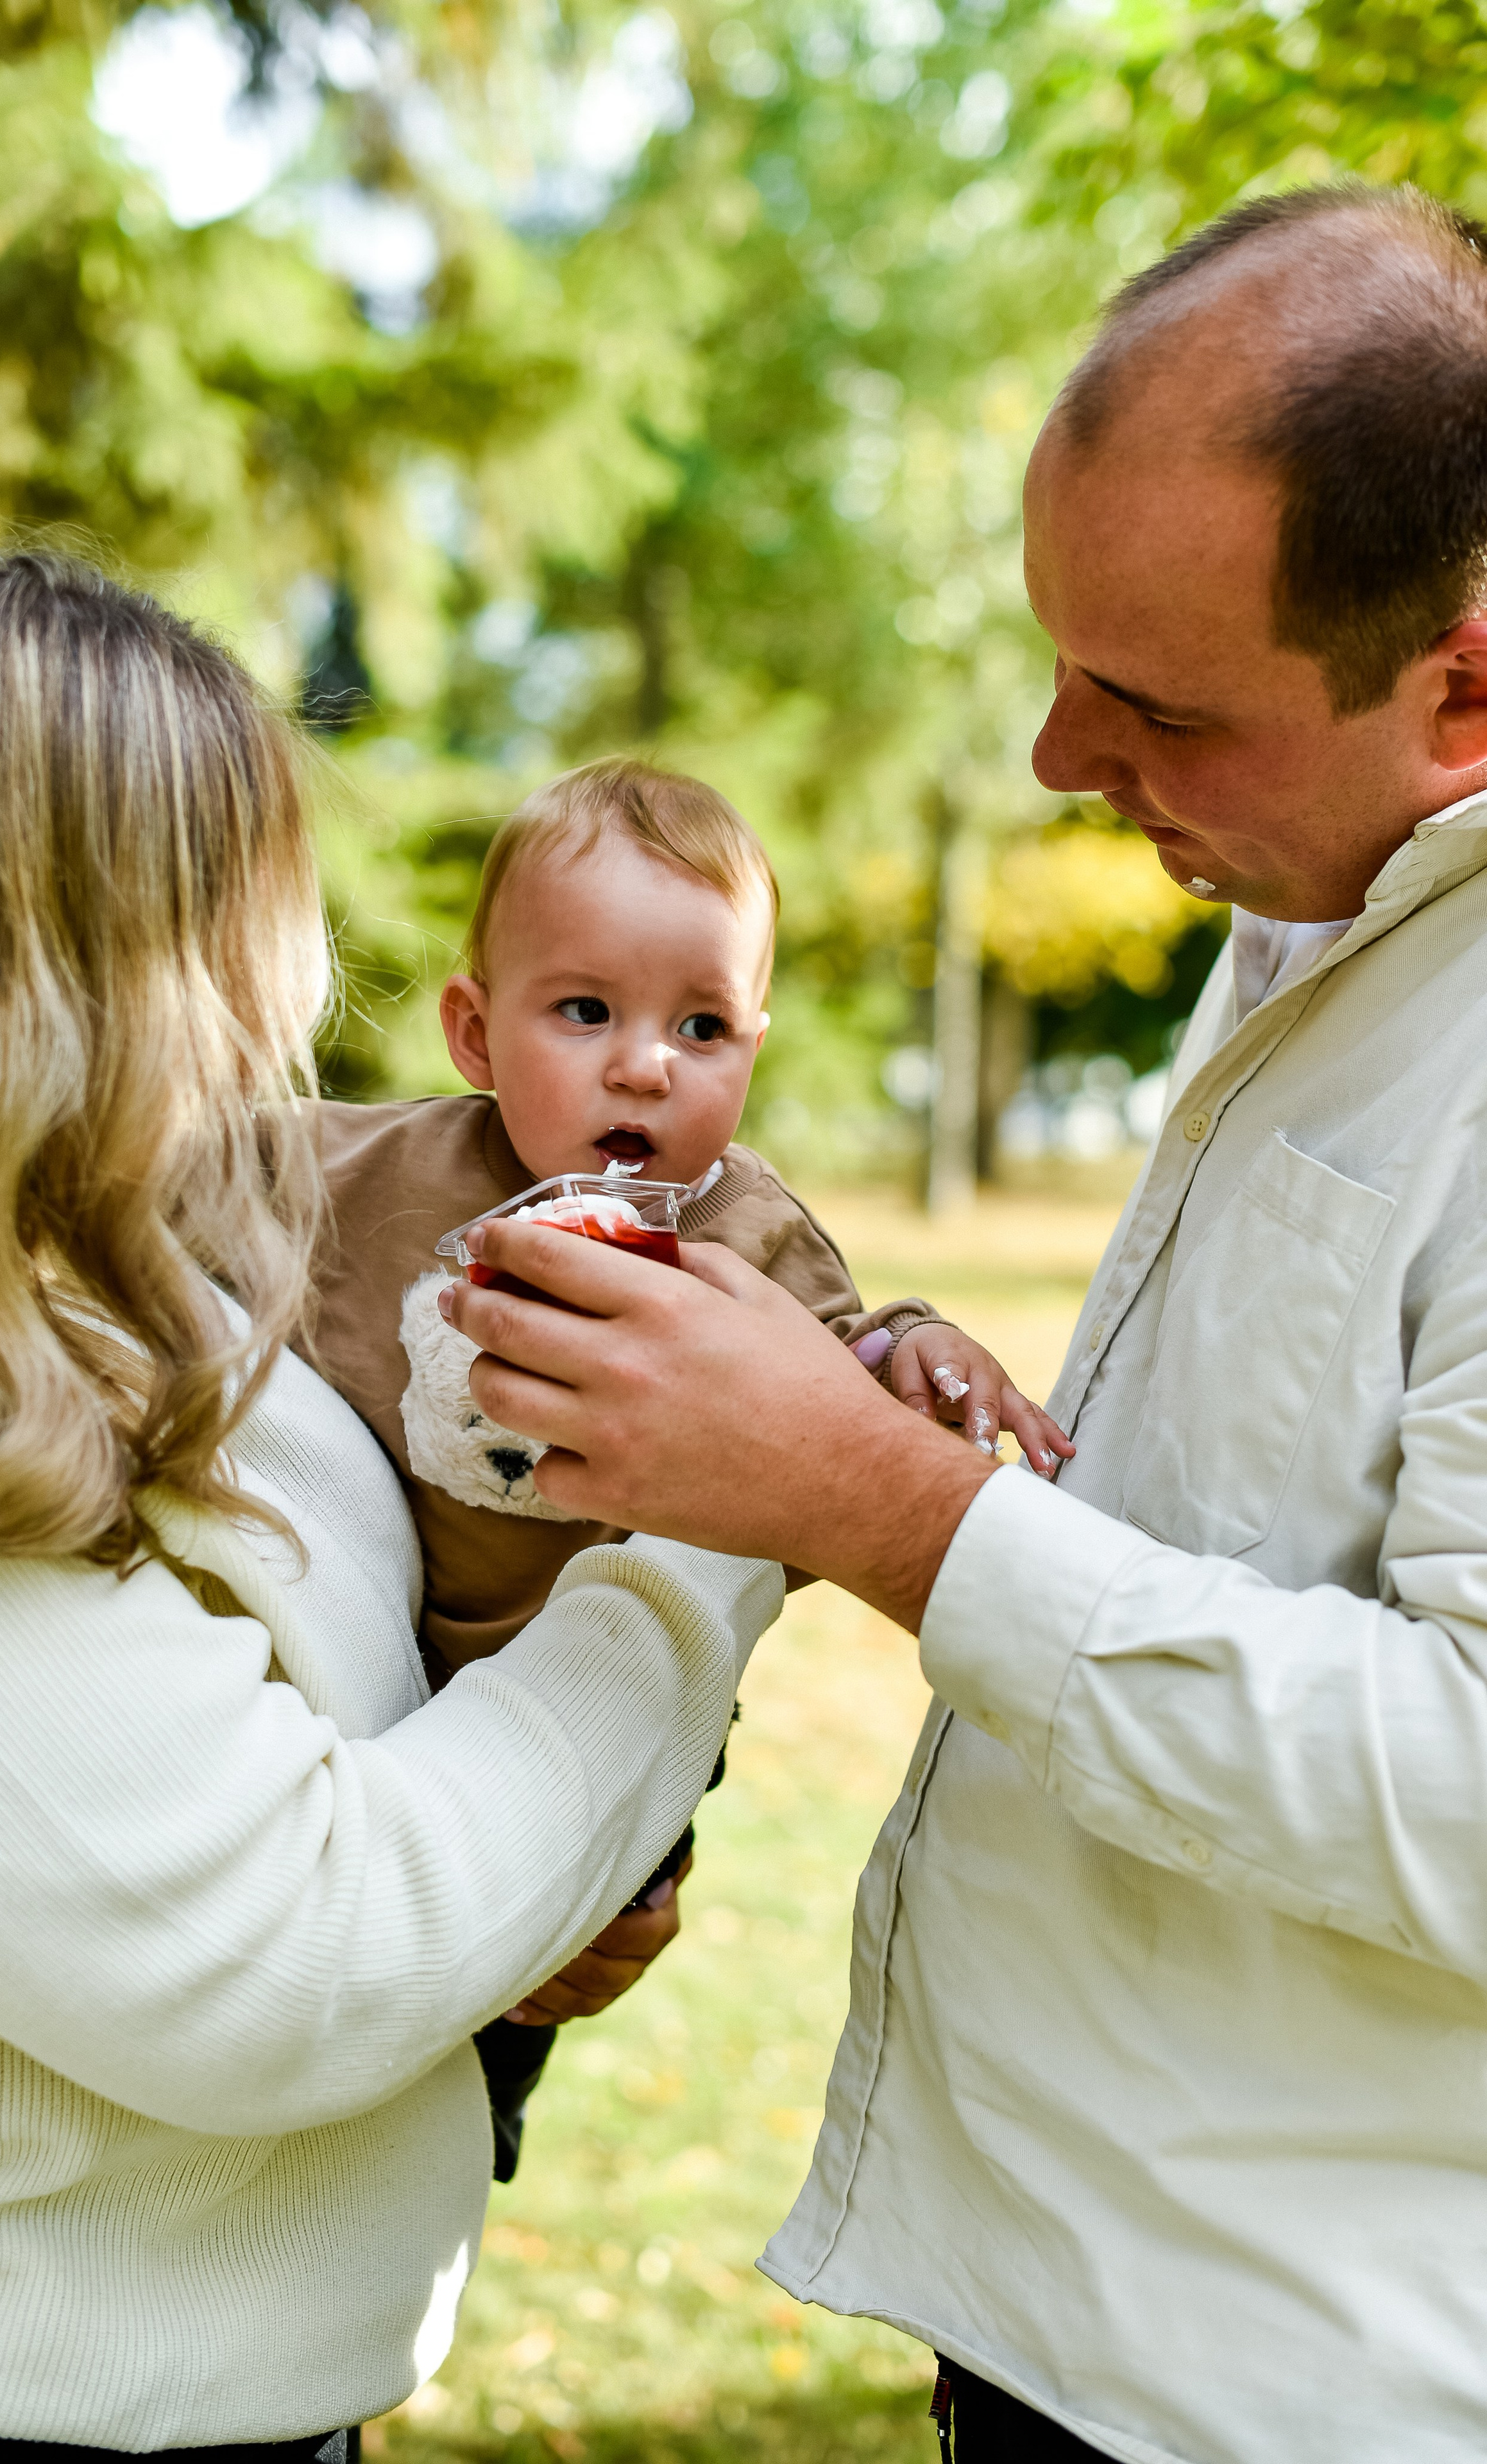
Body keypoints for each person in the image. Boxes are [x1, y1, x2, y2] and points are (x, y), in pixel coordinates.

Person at [445, 180, 1487, 2462]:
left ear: (1467, 683)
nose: (1048, 758)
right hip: (1072, 2323)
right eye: (1058, 655)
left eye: (1149, 701)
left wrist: (872, 1500)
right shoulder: (1324, 909)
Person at [0, 542, 782, 2455]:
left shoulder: (128, 1280)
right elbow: (313, 1950)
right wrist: (710, 1528)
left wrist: (545, 1887)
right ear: (42, 974)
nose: (289, 975)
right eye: (238, 909)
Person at [306, 755, 1072, 2177]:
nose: (644, 1064)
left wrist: (926, 1347)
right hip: (368, 1675)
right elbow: (170, 1176)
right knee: (348, 1982)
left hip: (613, 1705)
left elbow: (848, 1357)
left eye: (701, 1025)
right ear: (475, 1031)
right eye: (584, 1010)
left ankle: (482, 2101)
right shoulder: (355, 1174)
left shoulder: (745, 1230)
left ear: (752, 1048)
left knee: (538, 1966)